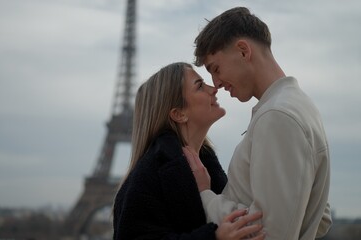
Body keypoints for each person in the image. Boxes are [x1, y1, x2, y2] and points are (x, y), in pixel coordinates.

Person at [184, 6, 332, 240]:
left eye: (216, 68)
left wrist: (205, 195)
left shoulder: (277, 116)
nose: (216, 83)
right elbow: (321, 217)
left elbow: (268, 233)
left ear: (243, 51)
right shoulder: (300, 106)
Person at [113, 62, 265, 240]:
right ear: (179, 114)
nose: (214, 88)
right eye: (200, 86)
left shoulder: (203, 166)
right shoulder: (148, 175)